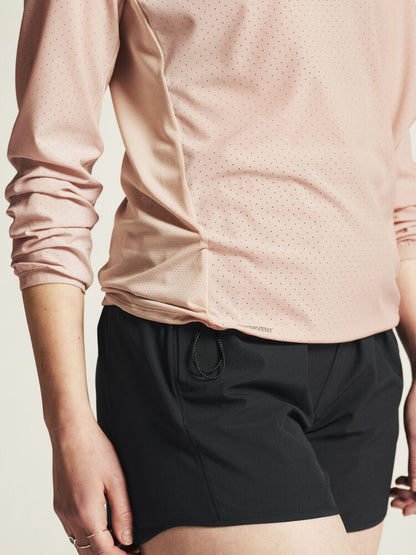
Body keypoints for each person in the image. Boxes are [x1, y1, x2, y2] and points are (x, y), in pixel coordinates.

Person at [5, 0, 416, 553]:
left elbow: (390, 170)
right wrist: (67, 425)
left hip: (367, 362)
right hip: (205, 351)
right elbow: (52, 172)